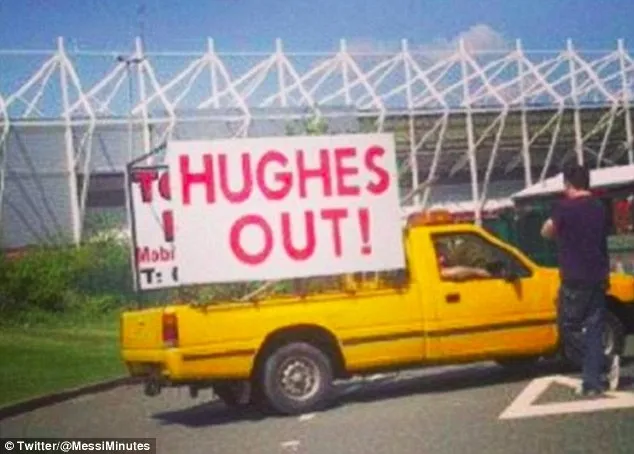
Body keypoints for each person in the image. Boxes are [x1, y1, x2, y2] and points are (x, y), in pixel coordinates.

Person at [541, 164, 620, 396]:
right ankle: (592, 382)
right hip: (598, 273)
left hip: (574, 275)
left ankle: (602, 363)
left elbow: (547, 231)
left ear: (567, 184)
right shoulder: (599, 207)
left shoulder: (562, 208)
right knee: (594, 327)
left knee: (568, 327)